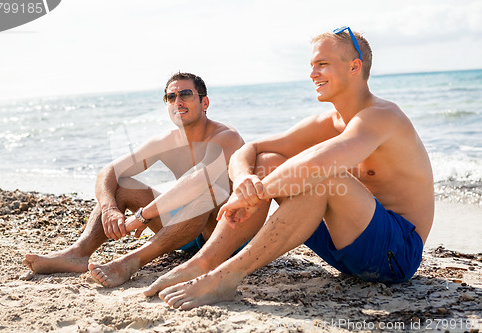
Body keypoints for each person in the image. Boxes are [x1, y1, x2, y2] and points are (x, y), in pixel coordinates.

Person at [143, 27, 435, 309]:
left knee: (322, 177)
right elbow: (252, 149)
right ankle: (205, 261)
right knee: (269, 161)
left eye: (322, 64)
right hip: (345, 250)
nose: (312, 74)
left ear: (354, 67)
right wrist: (244, 179)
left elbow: (318, 163)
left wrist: (253, 195)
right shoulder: (327, 122)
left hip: (395, 254)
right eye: (311, 65)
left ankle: (226, 276)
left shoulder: (382, 117)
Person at [23, 72, 251, 288]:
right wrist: (110, 208)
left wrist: (142, 216)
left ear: (205, 103)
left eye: (186, 94)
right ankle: (77, 254)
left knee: (206, 190)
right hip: (186, 232)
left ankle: (131, 261)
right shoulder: (166, 142)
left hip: (226, 233)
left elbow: (198, 180)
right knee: (121, 187)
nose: (178, 101)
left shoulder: (226, 137)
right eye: (171, 97)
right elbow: (109, 171)